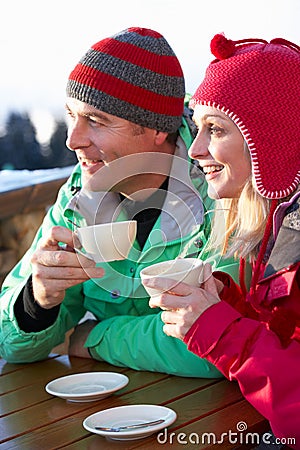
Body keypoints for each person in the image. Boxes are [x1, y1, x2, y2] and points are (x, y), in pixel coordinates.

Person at [0, 27, 239, 377]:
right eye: (72, 116)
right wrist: (37, 301)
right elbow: (11, 346)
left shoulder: (222, 190)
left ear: (158, 129)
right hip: (106, 416)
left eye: (96, 121)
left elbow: (213, 345)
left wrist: (93, 339)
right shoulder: (78, 197)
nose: (72, 140)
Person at [145, 34, 300, 444]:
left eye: (214, 129)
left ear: (272, 138)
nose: (195, 149)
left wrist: (218, 329)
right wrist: (223, 302)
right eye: (197, 129)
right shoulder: (279, 222)